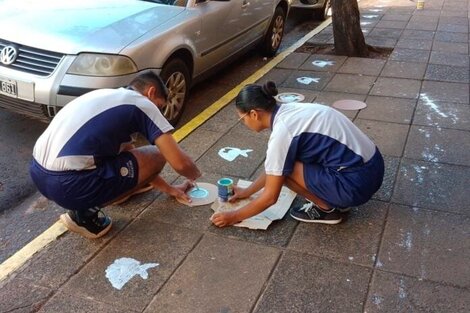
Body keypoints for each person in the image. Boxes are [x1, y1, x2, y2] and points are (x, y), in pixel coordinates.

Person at [30, 71, 201, 239]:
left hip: (39, 174)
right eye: (160, 107)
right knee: (157, 154)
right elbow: (180, 163)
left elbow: (131, 155)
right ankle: (83, 215)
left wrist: (169, 189)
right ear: (151, 92)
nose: (159, 112)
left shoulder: (110, 96)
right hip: (69, 185)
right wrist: (197, 177)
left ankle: (119, 187)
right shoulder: (142, 104)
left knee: (131, 156)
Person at [211, 81, 384, 227]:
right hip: (373, 168)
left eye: (242, 119)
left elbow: (270, 197)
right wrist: (247, 191)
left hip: (357, 184)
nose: (244, 124)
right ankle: (337, 199)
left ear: (254, 114)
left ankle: (327, 210)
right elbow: (275, 167)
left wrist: (233, 217)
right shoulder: (292, 109)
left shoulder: (282, 133)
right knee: (285, 164)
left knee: (285, 173)